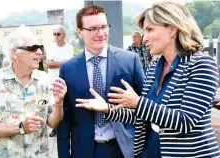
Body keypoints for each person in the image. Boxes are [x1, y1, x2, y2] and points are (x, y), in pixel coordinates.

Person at [75, 2, 220, 157]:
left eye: (150, 29)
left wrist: (137, 102)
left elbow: (186, 121)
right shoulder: (154, 67)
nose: (144, 38)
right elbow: (144, 114)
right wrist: (108, 109)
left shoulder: (201, 65)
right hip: (152, 150)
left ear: (172, 29)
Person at [57, 5, 144, 158]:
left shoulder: (130, 61)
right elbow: (65, 118)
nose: (101, 33)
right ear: (80, 32)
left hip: (122, 148)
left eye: (104, 27)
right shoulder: (68, 69)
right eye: (93, 29)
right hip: (84, 150)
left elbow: (145, 106)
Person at [0, 27, 67, 158]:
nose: (39, 52)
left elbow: (52, 123)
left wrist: (59, 103)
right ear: (15, 53)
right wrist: (21, 128)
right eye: (33, 48)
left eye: (40, 48)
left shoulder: (45, 80)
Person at [45, 25, 74, 137]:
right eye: (54, 34)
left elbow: (69, 65)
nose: (56, 36)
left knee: (67, 104)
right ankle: (55, 128)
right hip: (53, 81)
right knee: (54, 104)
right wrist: (63, 63)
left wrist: (56, 63)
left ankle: (68, 127)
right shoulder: (50, 47)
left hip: (67, 80)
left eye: (58, 34)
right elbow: (49, 64)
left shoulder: (70, 48)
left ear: (64, 35)